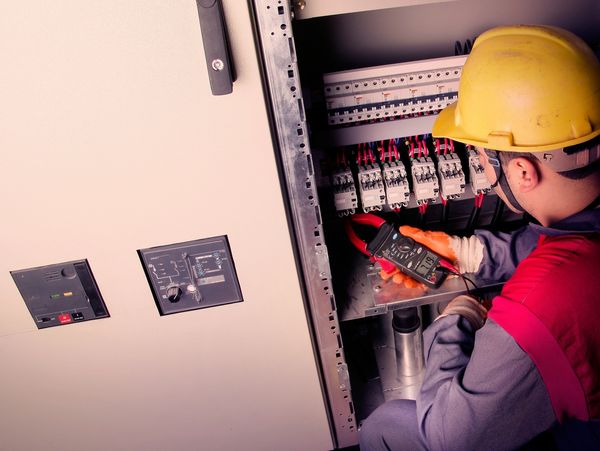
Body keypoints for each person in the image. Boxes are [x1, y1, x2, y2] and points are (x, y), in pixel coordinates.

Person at [359, 25, 600, 450]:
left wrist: (456, 316)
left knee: (388, 425)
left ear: (523, 172)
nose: (484, 174)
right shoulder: (579, 238)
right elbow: (569, 243)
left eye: (482, 160)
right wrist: (465, 252)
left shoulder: (540, 305)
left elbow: (451, 438)